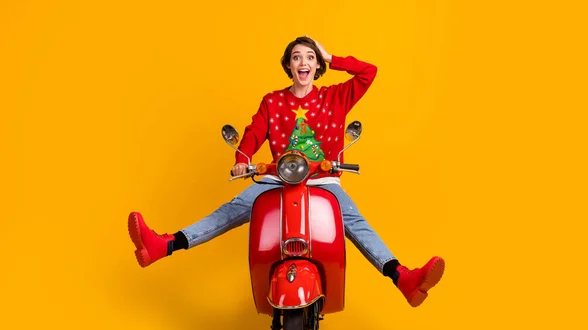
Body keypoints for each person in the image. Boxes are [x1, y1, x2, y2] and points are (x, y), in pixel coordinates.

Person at [128, 36, 445, 307]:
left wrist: (332, 57)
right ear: (289, 66)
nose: (303, 62)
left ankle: (403, 278)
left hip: (325, 180)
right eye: (297, 57)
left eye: (310, 57)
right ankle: (163, 245)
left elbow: (368, 72)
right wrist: (243, 157)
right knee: (231, 211)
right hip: (277, 178)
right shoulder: (272, 101)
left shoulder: (334, 97)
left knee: (356, 222)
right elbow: (253, 132)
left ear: (317, 65)